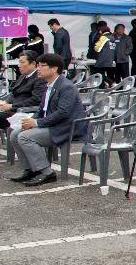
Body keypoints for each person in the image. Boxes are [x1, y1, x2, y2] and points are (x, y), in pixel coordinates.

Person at [8, 53, 84, 186]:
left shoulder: (66, 87)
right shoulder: (49, 85)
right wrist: (30, 121)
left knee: (25, 137)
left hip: (65, 128)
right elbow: (41, 109)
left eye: (42, 66)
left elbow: (63, 113)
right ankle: (31, 169)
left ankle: (47, 172)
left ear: (54, 69)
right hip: (52, 124)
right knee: (15, 134)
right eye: (38, 66)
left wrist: (36, 123)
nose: (38, 69)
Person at [0, 51, 45, 130]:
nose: (19, 65)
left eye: (22, 62)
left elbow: (36, 100)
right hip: (11, 109)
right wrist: (5, 102)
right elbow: (14, 91)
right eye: (19, 62)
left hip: (22, 112)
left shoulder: (39, 78)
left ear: (33, 63)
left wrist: (11, 106)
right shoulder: (23, 76)